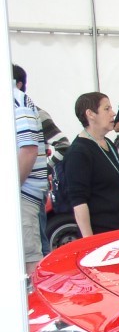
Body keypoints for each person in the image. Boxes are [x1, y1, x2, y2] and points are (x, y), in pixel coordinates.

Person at [66, 92, 119, 237]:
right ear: (90, 114)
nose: (113, 113)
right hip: (105, 234)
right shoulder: (79, 152)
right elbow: (78, 202)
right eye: (106, 109)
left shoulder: (107, 143)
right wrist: (89, 242)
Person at [14, 63, 70, 255]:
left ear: (18, 84)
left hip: (30, 192)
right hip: (27, 189)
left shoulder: (32, 112)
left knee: (37, 248)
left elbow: (63, 145)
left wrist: (46, 168)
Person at [13, 66, 47, 275]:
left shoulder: (17, 100)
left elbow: (28, 149)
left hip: (22, 195)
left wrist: (10, 191)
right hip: (23, 193)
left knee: (28, 265)